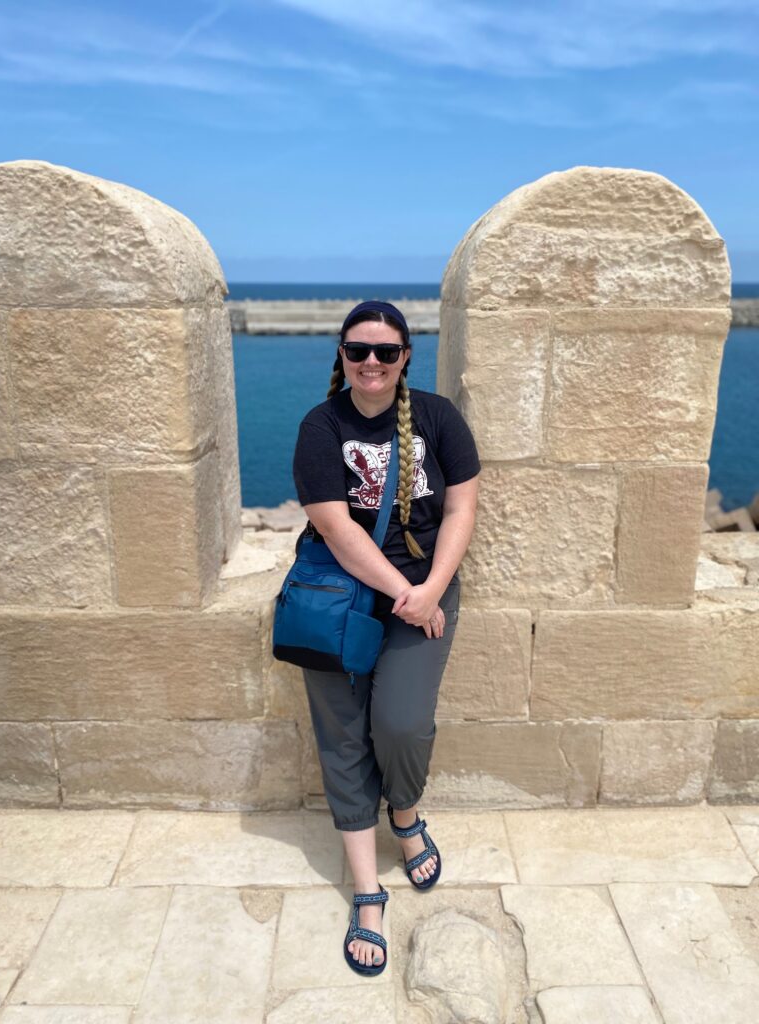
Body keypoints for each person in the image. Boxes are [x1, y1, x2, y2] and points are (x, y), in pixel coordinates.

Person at [291, 299, 480, 976]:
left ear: (406, 357)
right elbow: (337, 530)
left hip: (424, 596)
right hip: (340, 600)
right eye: (357, 351)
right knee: (343, 734)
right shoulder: (322, 426)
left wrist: (429, 591)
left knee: (401, 725)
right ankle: (367, 891)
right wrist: (407, 596)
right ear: (340, 356)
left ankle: (405, 813)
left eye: (386, 352)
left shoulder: (437, 419)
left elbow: (461, 505)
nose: (371, 363)